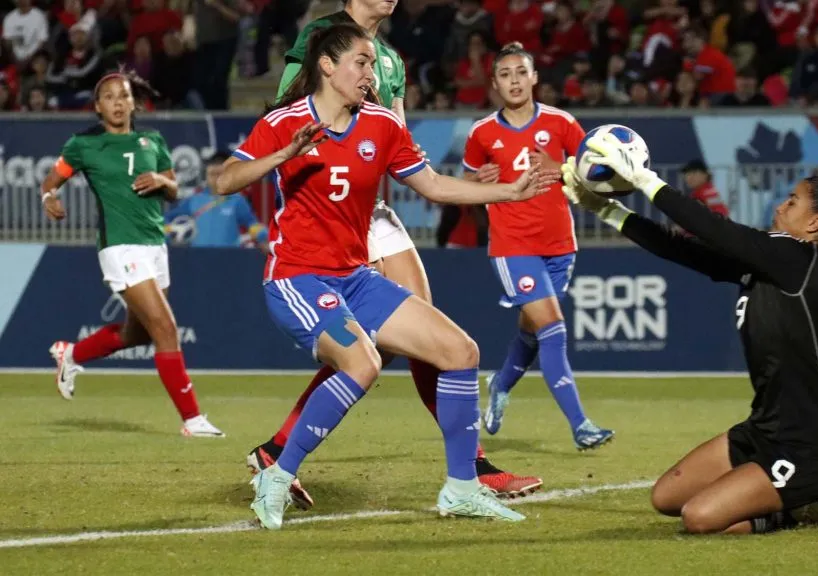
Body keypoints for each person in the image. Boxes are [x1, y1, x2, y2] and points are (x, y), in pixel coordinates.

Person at [215, 23, 561, 529]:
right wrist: (285, 153)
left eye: (373, 63)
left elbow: (435, 186)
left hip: (354, 276)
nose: (370, 73)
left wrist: (510, 192)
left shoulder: (381, 125)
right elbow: (224, 179)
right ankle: (277, 473)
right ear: (328, 67)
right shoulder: (283, 122)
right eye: (361, 62)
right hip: (298, 278)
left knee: (460, 352)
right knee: (363, 363)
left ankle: (462, 488)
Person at [561, 127, 818, 534]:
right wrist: (605, 210)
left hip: (812, 447)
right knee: (666, 499)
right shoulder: (771, 261)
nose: (781, 206)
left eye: (792, 201)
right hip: (763, 429)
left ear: (815, 223)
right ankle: (769, 495)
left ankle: (799, 509)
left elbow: (715, 229)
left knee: (699, 519)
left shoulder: (799, 259)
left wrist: (646, 180)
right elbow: (681, 248)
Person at [40, 70, 224, 438]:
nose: (118, 103)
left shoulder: (152, 141)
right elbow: (52, 179)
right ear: (97, 107)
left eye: (123, 96)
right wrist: (50, 198)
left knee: (137, 335)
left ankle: (71, 355)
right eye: (109, 97)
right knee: (166, 328)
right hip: (119, 246)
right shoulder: (83, 145)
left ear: (133, 102)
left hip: (155, 245)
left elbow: (173, 190)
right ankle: (192, 419)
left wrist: (161, 181)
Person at [462, 42, 614, 450]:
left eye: (520, 72)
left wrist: (561, 169)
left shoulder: (562, 124)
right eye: (505, 74)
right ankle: (581, 425)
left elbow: (593, 177)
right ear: (494, 83)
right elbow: (467, 183)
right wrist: (478, 183)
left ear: (534, 78)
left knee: (532, 333)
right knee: (552, 327)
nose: (514, 80)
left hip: (560, 245)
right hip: (513, 247)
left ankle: (500, 383)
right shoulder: (481, 134)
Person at [164, 151, 270, 252]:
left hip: (228, 257)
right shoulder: (194, 200)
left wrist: (263, 238)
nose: (215, 179)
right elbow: (168, 219)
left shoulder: (237, 200)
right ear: (206, 175)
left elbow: (251, 223)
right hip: (197, 258)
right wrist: (167, 233)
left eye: (219, 174)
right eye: (212, 174)